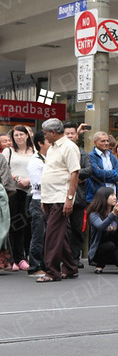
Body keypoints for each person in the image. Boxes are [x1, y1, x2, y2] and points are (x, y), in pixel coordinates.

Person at [38, 118, 81, 283]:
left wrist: (69, 198)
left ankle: (52, 272)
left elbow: (74, 173)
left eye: (46, 132)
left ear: (53, 132)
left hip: (60, 197)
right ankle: (70, 267)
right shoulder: (52, 148)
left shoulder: (70, 147)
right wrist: (44, 198)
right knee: (58, 235)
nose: (44, 135)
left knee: (52, 235)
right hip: (49, 196)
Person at [2, 125, 34, 271]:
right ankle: (12, 258)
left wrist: (29, 180)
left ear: (27, 135)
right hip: (13, 192)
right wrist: (15, 178)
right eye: (16, 135)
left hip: (30, 192)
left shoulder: (34, 151)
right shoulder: (8, 151)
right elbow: (4, 170)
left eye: (22, 134)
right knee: (12, 224)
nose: (19, 137)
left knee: (24, 225)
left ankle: (22, 257)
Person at [87, 187, 118, 273]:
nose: (115, 197)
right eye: (112, 195)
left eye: (115, 195)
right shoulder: (94, 214)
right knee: (109, 246)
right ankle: (100, 264)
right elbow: (100, 226)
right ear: (103, 198)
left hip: (116, 246)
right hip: (99, 249)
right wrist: (113, 214)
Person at [64, 122, 92, 268]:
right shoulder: (58, 151)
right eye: (67, 133)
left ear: (76, 135)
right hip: (62, 196)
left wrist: (74, 175)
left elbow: (89, 170)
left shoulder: (82, 153)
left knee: (77, 229)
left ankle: (75, 257)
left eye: (72, 133)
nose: (69, 136)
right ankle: (65, 258)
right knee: (63, 229)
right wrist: (74, 176)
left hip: (79, 198)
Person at [26, 130, 50, 277]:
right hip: (38, 200)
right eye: (48, 141)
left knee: (48, 234)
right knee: (38, 234)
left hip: (49, 200)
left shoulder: (49, 158)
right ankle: (34, 266)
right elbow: (37, 185)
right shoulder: (35, 161)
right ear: (40, 143)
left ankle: (46, 264)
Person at [86, 131, 118, 203]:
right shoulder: (91, 156)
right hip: (98, 198)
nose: (106, 143)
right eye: (103, 141)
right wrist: (114, 172)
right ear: (95, 142)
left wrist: (105, 173)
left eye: (107, 141)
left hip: (114, 197)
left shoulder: (112, 156)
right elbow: (98, 174)